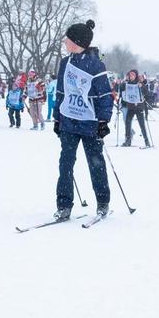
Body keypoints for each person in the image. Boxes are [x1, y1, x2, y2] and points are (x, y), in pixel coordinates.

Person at [53, 20, 112, 220]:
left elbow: (104, 95)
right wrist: (57, 118)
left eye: (67, 39)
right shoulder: (65, 62)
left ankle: (103, 202)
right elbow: (61, 91)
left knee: (96, 164)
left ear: (76, 41)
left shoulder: (96, 65)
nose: (64, 41)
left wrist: (104, 121)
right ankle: (64, 205)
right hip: (69, 121)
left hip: (90, 124)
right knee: (65, 164)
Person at [120, 69, 150, 147]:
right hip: (130, 107)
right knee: (128, 123)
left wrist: (142, 86)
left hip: (139, 107)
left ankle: (146, 141)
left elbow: (146, 92)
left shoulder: (139, 83)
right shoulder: (127, 83)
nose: (131, 77)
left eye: (133, 75)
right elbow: (121, 89)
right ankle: (128, 140)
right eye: (130, 75)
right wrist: (121, 83)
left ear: (136, 76)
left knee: (142, 124)